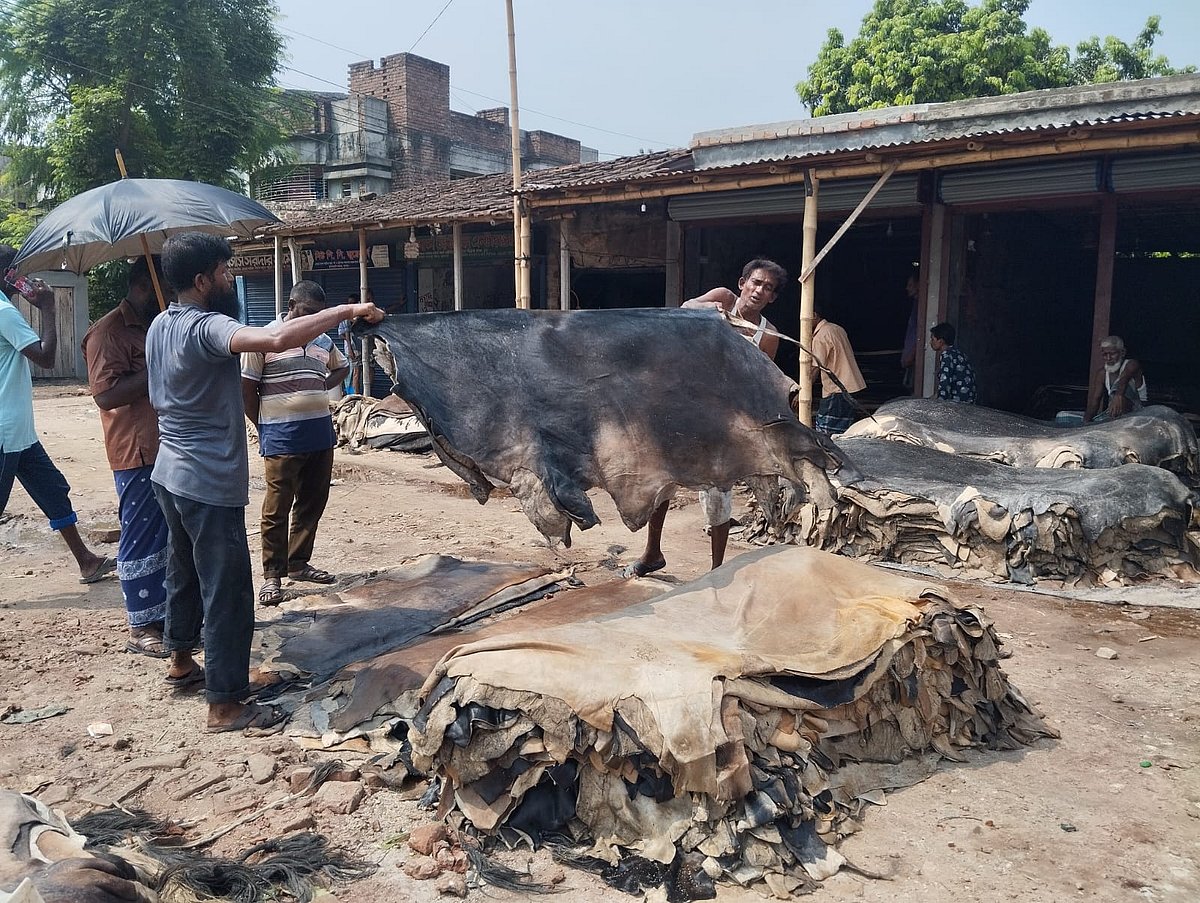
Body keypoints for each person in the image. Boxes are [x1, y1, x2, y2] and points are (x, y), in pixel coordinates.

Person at [146, 232, 383, 734]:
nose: (230, 279)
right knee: (227, 589)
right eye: (225, 272)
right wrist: (345, 310)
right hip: (206, 479)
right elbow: (276, 339)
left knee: (183, 572)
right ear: (201, 279)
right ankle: (227, 705)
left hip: (168, 472)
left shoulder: (159, 326)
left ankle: (181, 660)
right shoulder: (206, 326)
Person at [623, 258, 785, 579]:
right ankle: (652, 553)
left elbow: (760, 382)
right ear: (742, 283)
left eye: (767, 288)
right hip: (682, 410)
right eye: (755, 282)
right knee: (663, 483)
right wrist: (712, 314)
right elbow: (683, 312)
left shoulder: (767, 335)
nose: (759, 290)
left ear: (772, 298)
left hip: (721, 424)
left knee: (718, 494)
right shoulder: (722, 300)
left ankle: (717, 571)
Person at [0, 245, 115, 585]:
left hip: (19, 431)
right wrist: (48, 309)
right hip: (7, 432)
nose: (21, 277)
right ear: (7, 275)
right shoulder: (4, 312)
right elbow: (47, 358)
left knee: (53, 490)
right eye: (16, 271)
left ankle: (86, 561)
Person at [81, 256, 175, 656]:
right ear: (144, 287)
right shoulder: (107, 333)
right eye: (165, 292)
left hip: (168, 442)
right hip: (135, 448)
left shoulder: (158, 326)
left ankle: (168, 613)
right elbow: (105, 394)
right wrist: (157, 366)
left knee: (169, 536)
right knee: (140, 536)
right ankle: (140, 624)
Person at [242, 280, 350, 606]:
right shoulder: (263, 339)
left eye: (317, 315)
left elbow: (341, 368)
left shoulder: (324, 340)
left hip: (320, 434)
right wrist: (262, 425)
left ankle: (298, 563)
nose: (310, 321)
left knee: (312, 502)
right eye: (306, 313)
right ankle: (272, 575)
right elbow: (246, 388)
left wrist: (317, 383)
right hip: (281, 436)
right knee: (276, 507)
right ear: (291, 306)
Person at [811, 303, 867, 435]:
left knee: (827, 434)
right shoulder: (836, 328)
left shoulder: (821, 336)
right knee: (844, 430)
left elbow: (815, 368)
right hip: (851, 386)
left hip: (837, 389)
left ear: (814, 315)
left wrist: (802, 391)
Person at [1085, 335, 1147, 422]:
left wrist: (1118, 395)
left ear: (1122, 352)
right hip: (1113, 416)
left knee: (1120, 396)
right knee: (1063, 415)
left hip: (1138, 415)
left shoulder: (1132, 364)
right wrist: (1085, 423)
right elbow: (1095, 401)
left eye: (1112, 354)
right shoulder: (1102, 374)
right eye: (1105, 354)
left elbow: (1124, 378)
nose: (1108, 358)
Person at [929, 321, 977, 404]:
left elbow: (945, 381)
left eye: (932, 339)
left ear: (941, 341)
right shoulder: (959, 354)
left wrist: (938, 403)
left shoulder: (946, 355)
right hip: (969, 399)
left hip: (958, 402)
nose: (930, 342)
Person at [337, 289, 368, 395]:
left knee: (357, 373)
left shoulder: (360, 317)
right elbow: (343, 333)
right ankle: (352, 394)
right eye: (349, 303)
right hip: (352, 350)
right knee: (353, 373)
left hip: (360, 348)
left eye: (352, 303)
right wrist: (350, 348)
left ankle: (355, 393)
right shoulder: (346, 317)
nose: (349, 305)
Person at [900, 273, 919, 389]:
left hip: (914, 358)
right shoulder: (916, 305)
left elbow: (920, 334)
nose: (907, 288)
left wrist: (911, 354)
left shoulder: (921, 307)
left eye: (910, 285)